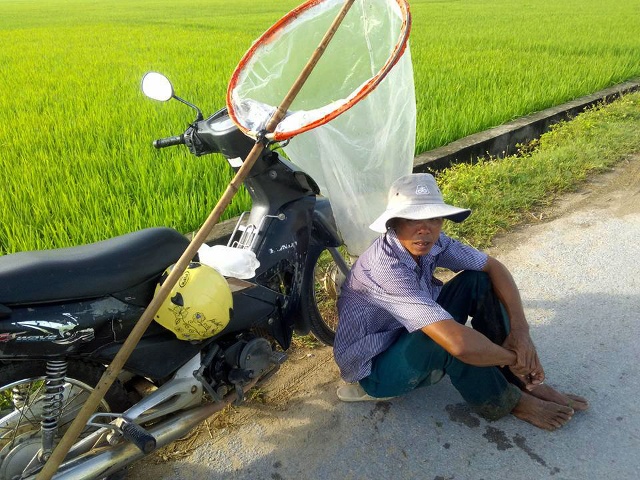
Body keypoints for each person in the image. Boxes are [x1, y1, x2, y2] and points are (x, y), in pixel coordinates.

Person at [333, 173, 588, 430]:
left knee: (477, 280)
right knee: (446, 341)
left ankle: (517, 379)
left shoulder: (432, 242)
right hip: (376, 367)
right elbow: (457, 343)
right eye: (412, 220)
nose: (425, 229)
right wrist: (516, 358)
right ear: (394, 224)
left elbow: (492, 266)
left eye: (433, 218)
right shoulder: (384, 268)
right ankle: (508, 399)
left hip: (404, 331)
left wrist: (522, 334)